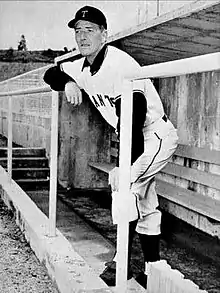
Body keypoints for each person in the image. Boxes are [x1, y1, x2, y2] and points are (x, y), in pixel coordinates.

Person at [43, 5, 178, 288]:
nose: (82, 36)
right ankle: (152, 268)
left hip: (153, 135)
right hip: (135, 134)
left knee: (125, 187)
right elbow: (50, 73)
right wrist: (68, 82)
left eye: (89, 30)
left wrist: (124, 166)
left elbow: (135, 118)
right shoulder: (81, 64)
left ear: (104, 35)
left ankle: (121, 263)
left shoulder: (121, 65)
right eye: (78, 31)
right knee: (145, 201)